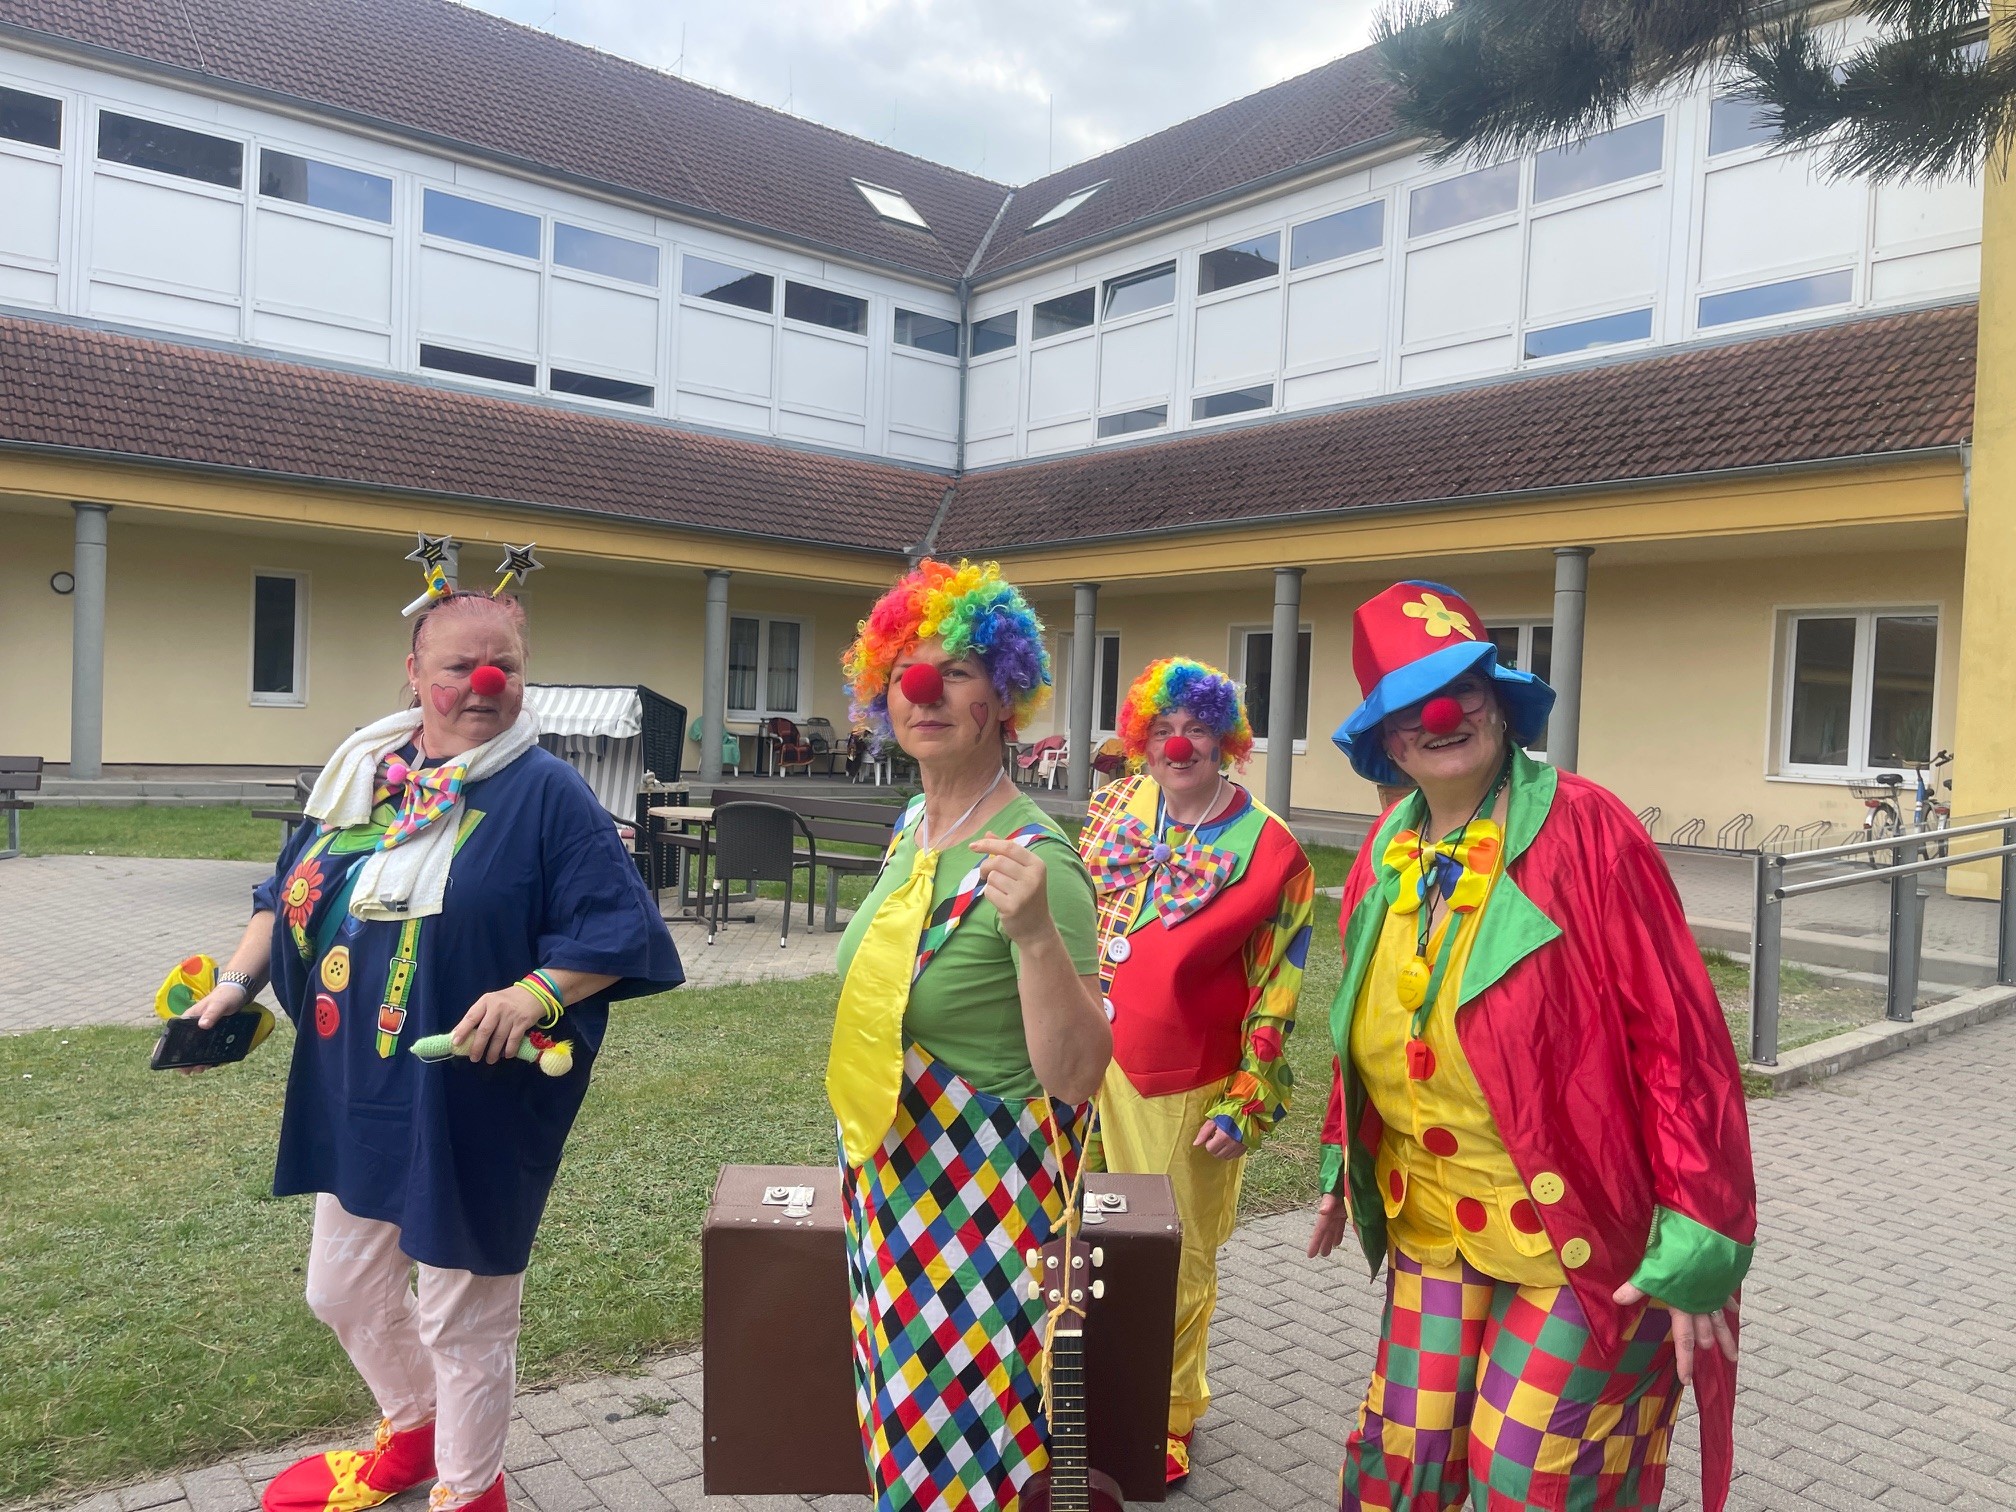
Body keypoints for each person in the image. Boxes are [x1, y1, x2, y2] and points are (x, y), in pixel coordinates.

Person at [182, 587, 682, 1512]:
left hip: (474, 1089)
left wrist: (535, 993)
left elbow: (618, 930)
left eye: (506, 667)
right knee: (341, 1289)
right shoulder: (363, 773)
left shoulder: (546, 791)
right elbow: (282, 893)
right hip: (353, 1081)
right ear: (414, 674)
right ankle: (413, 1429)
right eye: (460, 665)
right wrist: (234, 986)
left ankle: (470, 1487)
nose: (485, 683)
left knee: (463, 1313)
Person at [1307, 580, 1756, 1512]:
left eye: (1464, 687)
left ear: (1500, 703)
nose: (1443, 715)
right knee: (1407, 1457)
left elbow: (1680, 1041)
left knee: (1529, 1470)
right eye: (1412, 704)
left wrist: (1702, 1231)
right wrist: (1341, 1151)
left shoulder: (1589, 829)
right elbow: (1373, 1020)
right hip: (1435, 1217)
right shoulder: (1388, 850)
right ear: (1389, 740)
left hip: (1577, 1221)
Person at [829, 558, 1111, 1512]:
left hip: (982, 1212)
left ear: (1004, 696)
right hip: (888, 1190)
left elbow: (1079, 1076)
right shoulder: (916, 824)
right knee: (903, 1436)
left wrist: (1034, 938)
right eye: (904, 670)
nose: (923, 690)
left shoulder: (1040, 864)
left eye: (954, 671)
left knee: (963, 1451)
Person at [1078, 657, 1314, 1484]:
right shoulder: (1113, 806)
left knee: (1173, 1258)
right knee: (1071, 1236)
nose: (1178, 747)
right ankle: (1072, 1393)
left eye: (1198, 731)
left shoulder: (1273, 849)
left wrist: (1249, 1097)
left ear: (1227, 743)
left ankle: (1165, 1414)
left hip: (1179, 1082)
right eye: (1162, 731)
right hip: (1078, 1061)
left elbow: (1279, 984)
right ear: (1141, 741)